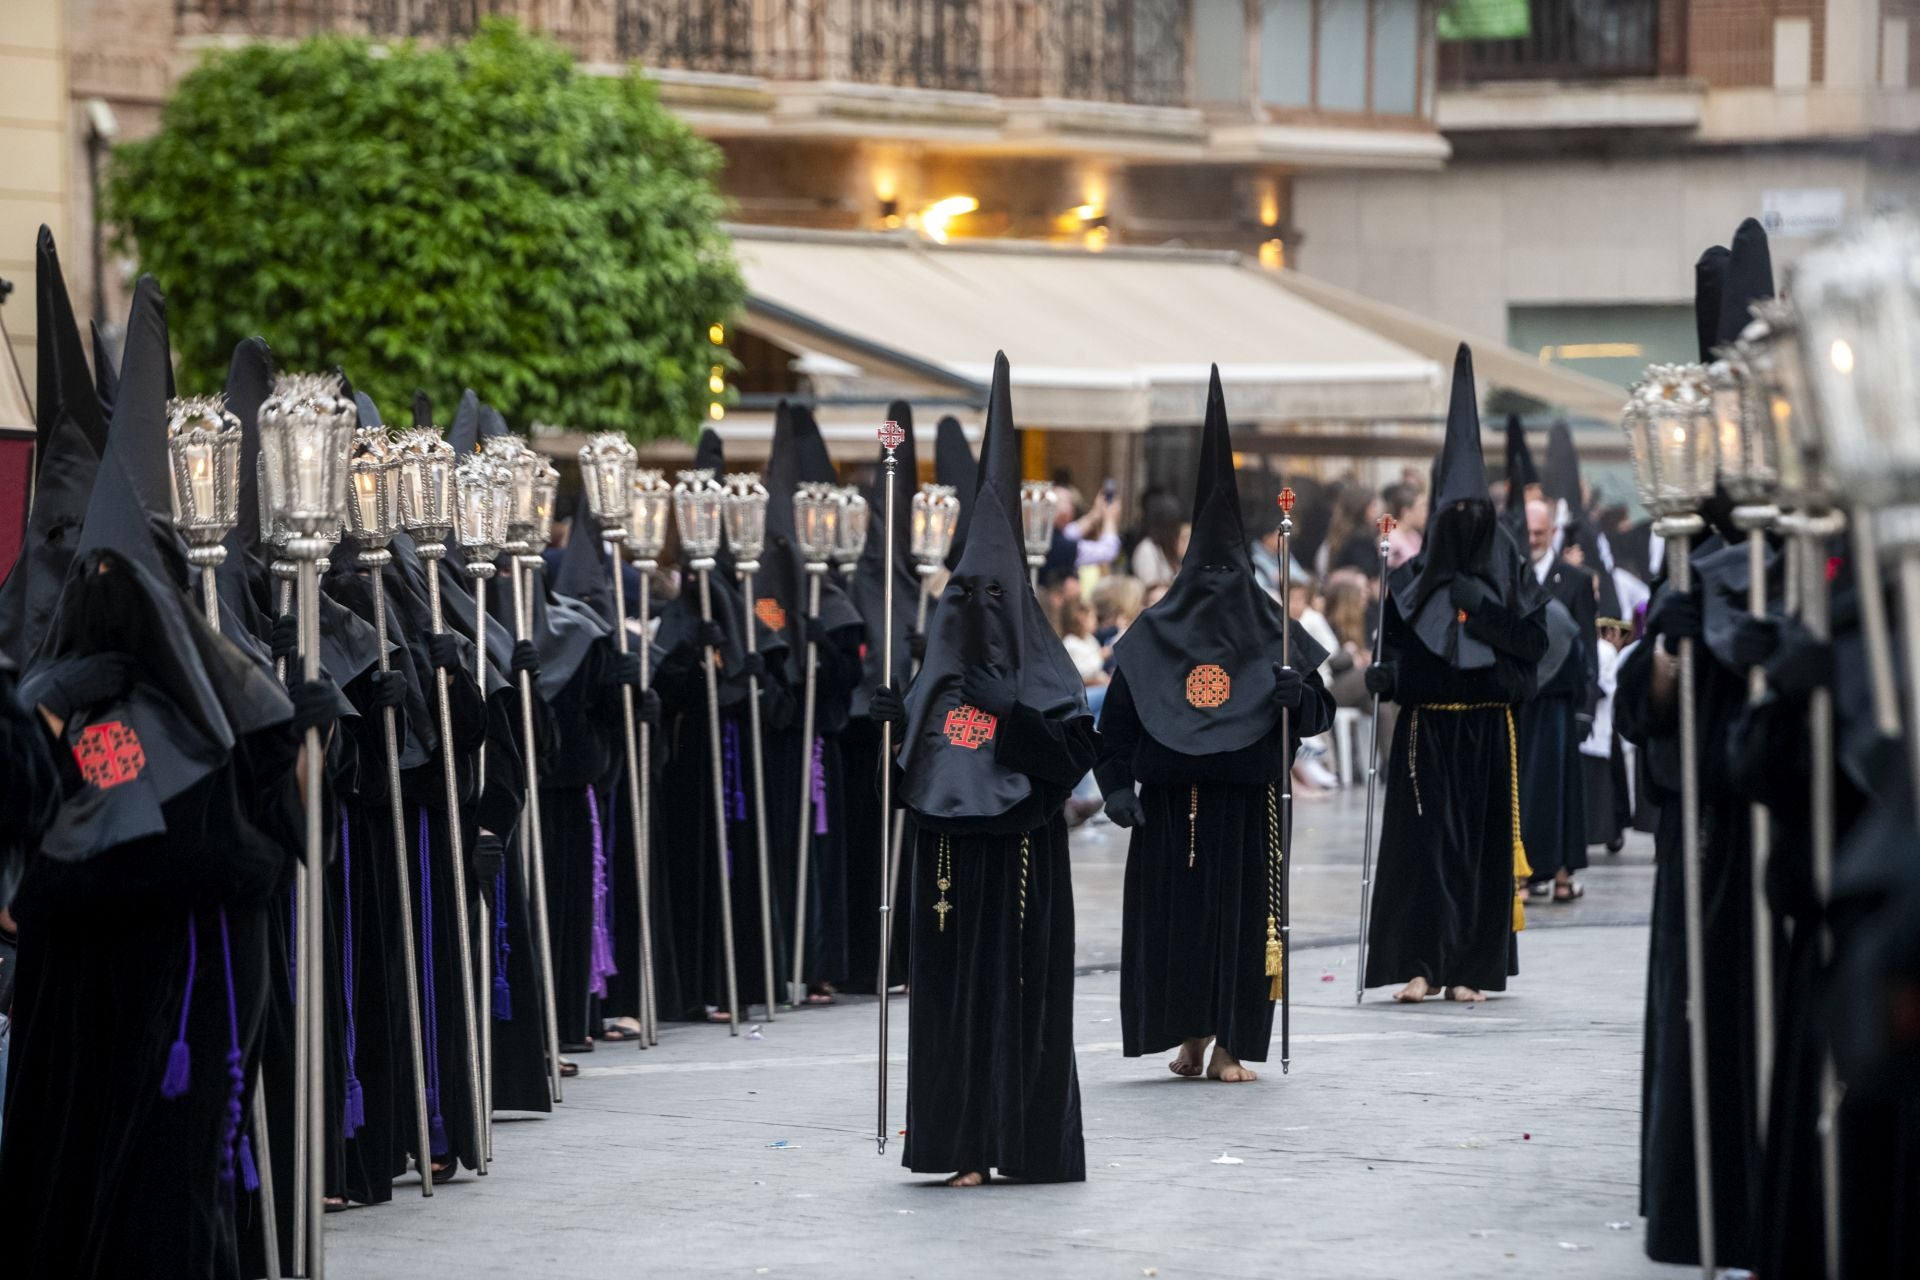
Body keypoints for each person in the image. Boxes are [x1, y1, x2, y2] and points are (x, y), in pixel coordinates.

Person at [871, 352, 1094, 1187]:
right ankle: (958, 1144)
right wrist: (893, 732)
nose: (978, 614)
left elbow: (1075, 764)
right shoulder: (935, 673)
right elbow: (905, 789)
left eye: (993, 598)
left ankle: (1019, 1142)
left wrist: (1013, 715)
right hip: (947, 873)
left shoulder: (1048, 667)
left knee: (1018, 1003)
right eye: (967, 598)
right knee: (951, 1008)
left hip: (1023, 869)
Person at [1098, 368, 1332, 1083]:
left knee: (1239, 928)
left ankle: (1233, 1040)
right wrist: (1115, 788)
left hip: (1249, 809)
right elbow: (1116, 724)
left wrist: (1297, 695)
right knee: (1179, 930)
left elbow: (1317, 717)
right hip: (1170, 811)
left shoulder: (1274, 628)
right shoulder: (1155, 633)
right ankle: (1190, 1036)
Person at [1617, 220, 1774, 1270]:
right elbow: (1648, 699)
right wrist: (1675, 650)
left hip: (1786, 818)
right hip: (1706, 824)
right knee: (1699, 1003)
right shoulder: (1681, 549)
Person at [1361, 345, 1548, 1005]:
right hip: (1425, 734)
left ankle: (1471, 965)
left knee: (1478, 852)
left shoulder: (1511, 574)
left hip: (1489, 732)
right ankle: (1420, 962)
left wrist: (1485, 611)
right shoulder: (1409, 583)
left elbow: (1532, 652)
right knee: (1421, 853)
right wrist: (1386, 680)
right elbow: (1397, 659)